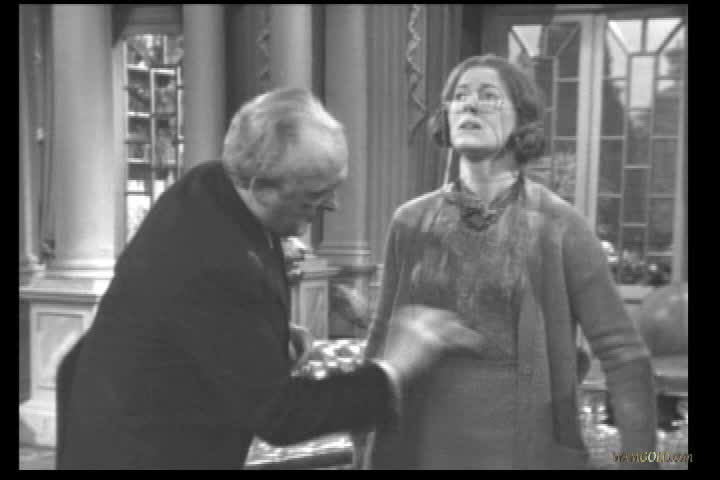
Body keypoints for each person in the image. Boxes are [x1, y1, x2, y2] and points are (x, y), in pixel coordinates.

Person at [57, 88, 484, 470]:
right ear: (262, 188)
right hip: (143, 452)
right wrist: (395, 367)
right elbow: (282, 415)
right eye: (315, 194)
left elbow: (207, 317)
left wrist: (261, 334)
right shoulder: (211, 259)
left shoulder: (212, 184)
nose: (333, 205)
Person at [352, 54, 658, 469]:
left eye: (488, 96)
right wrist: (363, 450)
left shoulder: (559, 224)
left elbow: (624, 355)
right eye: (460, 96)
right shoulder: (411, 222)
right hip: (420, 445)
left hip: (520, 448)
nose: (470, 104)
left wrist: (642, 461)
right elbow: (381, 340)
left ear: (522, 122)